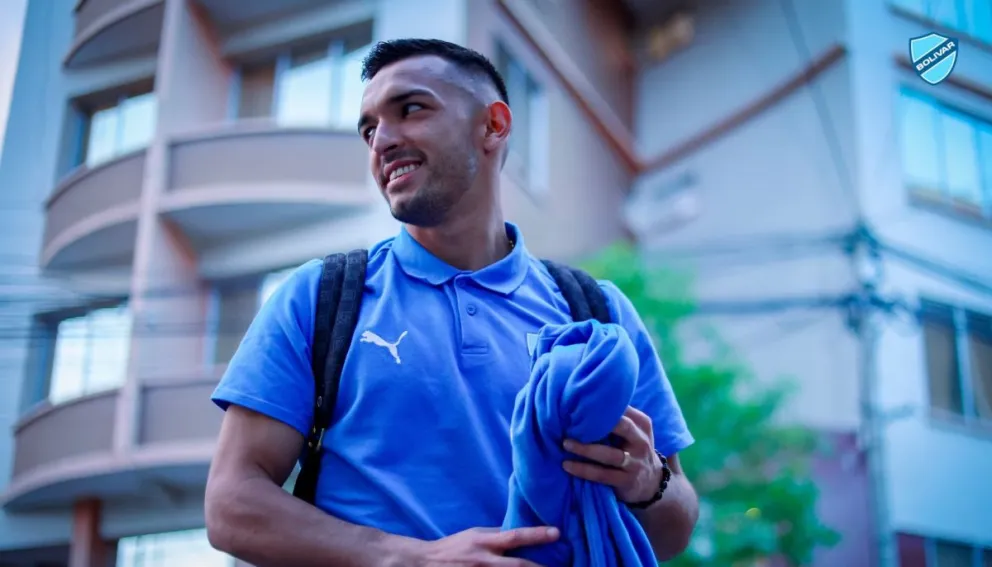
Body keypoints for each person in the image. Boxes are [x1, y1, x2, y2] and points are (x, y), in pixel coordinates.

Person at [204, 38, 699, 567]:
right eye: (369, 130)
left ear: (493, 125)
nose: (382, 141)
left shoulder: (595, 312)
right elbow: (231, 506)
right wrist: (412, 558)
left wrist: (649, 481)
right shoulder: (319, 297)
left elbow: (675, 528)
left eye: (411, 109)